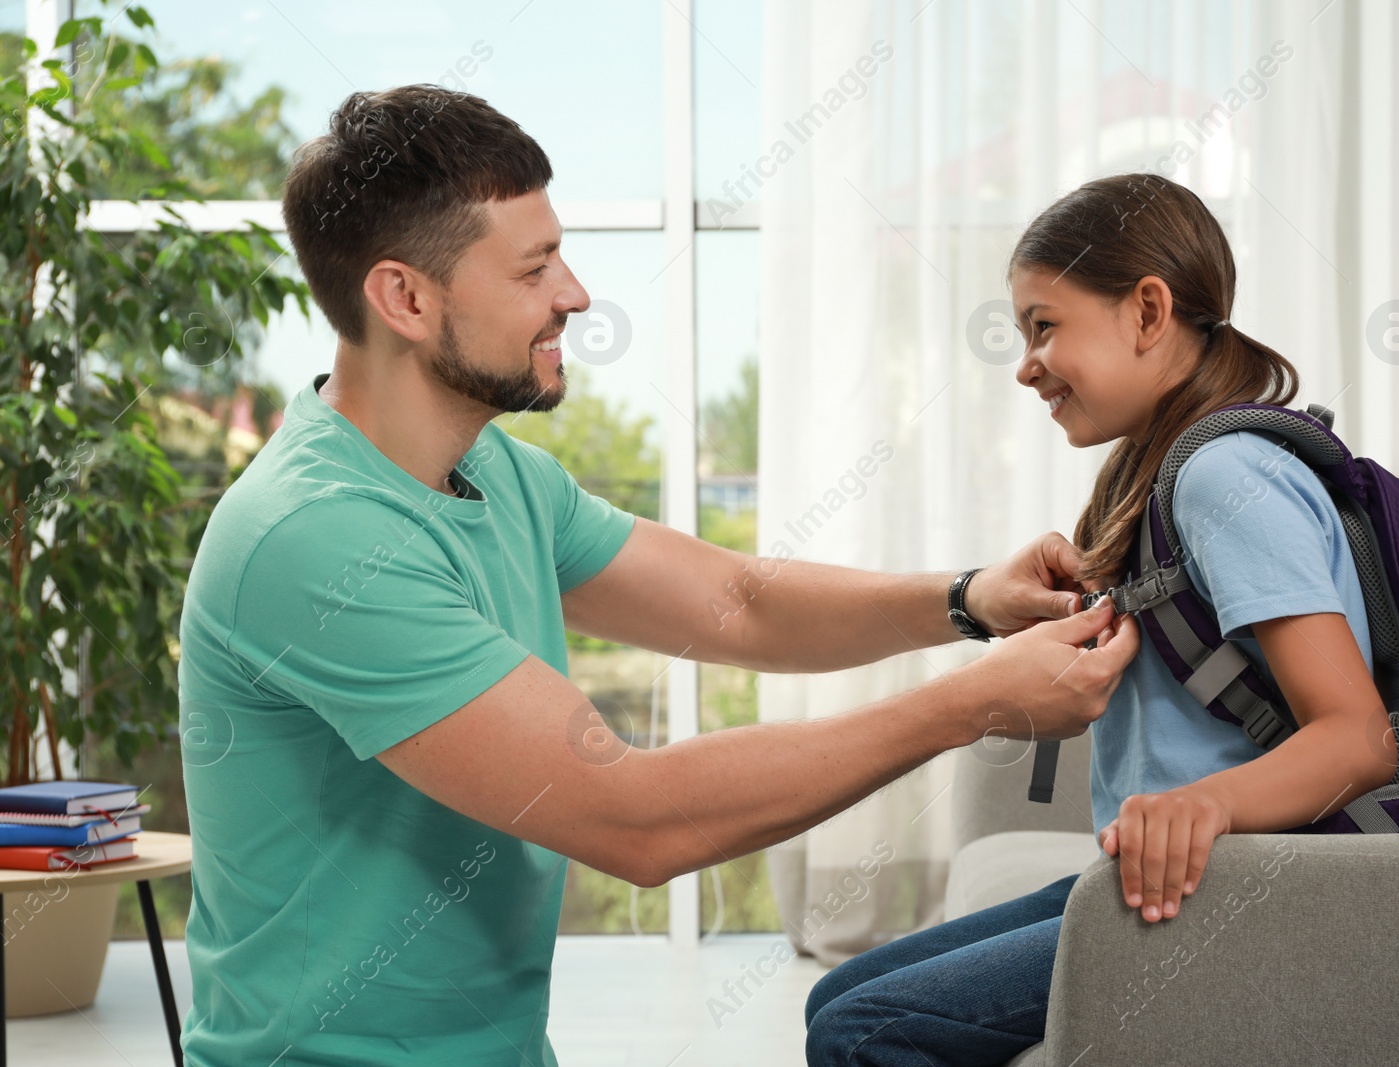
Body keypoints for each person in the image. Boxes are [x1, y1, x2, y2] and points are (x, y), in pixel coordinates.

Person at [175, 86, 1140, 1067]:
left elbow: (738, 604)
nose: (576, 294)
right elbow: (639, 817)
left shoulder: (494, 471)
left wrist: (967, 599)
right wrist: (972, 705)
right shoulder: (316, 538)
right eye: (533, 267)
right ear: (406, 299)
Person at [803, 173, 1399, 1066]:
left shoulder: (1224, 475)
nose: (1026, 363)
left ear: (1147, 310)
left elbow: (1358, 738)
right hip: (1171, 872)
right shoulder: (1169, 469)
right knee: (835, 994)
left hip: (1245, 884)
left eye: (1045, 326)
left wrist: (1195, 807)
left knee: (862, 1032)